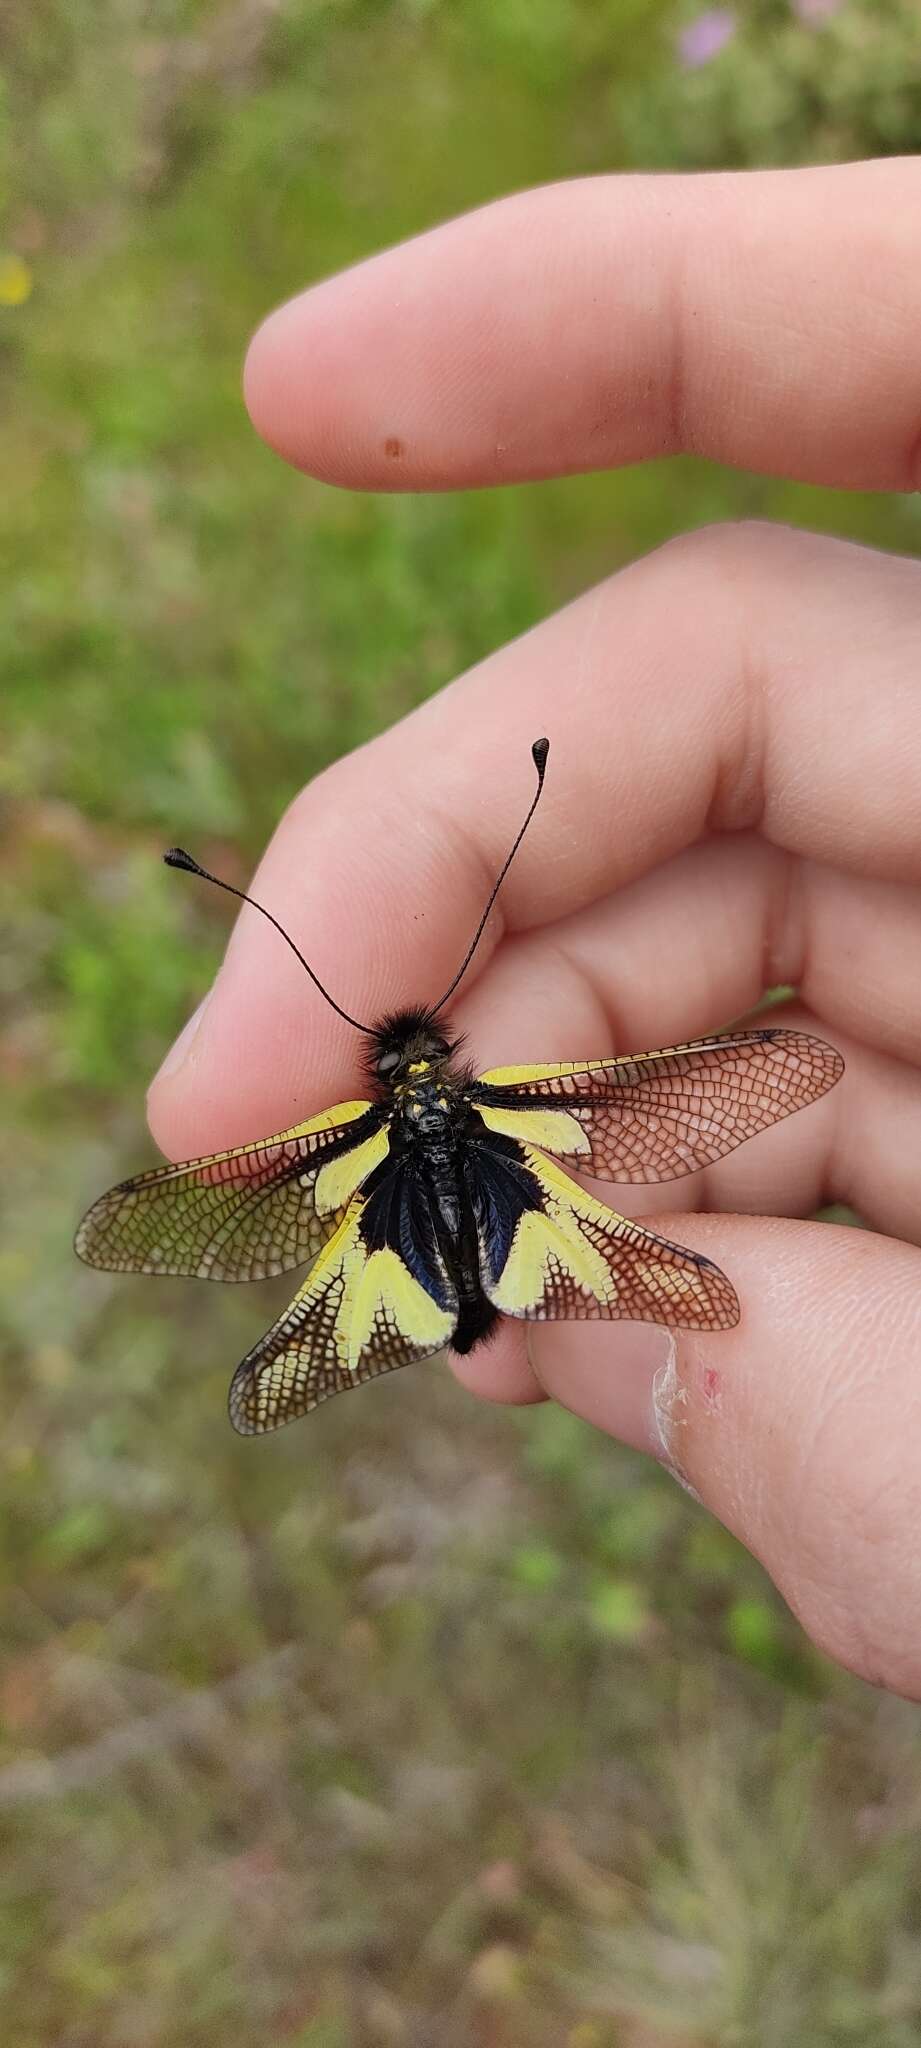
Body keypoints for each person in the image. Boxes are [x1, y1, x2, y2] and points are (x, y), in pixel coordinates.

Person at [146, 160, 921, 1700]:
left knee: (548, 1282)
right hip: (501, 1205)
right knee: (595, 1270)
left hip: (416, 1229)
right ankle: (483, 1288)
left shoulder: (365, 1122)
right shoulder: (505, 1098)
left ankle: (456, 1298)